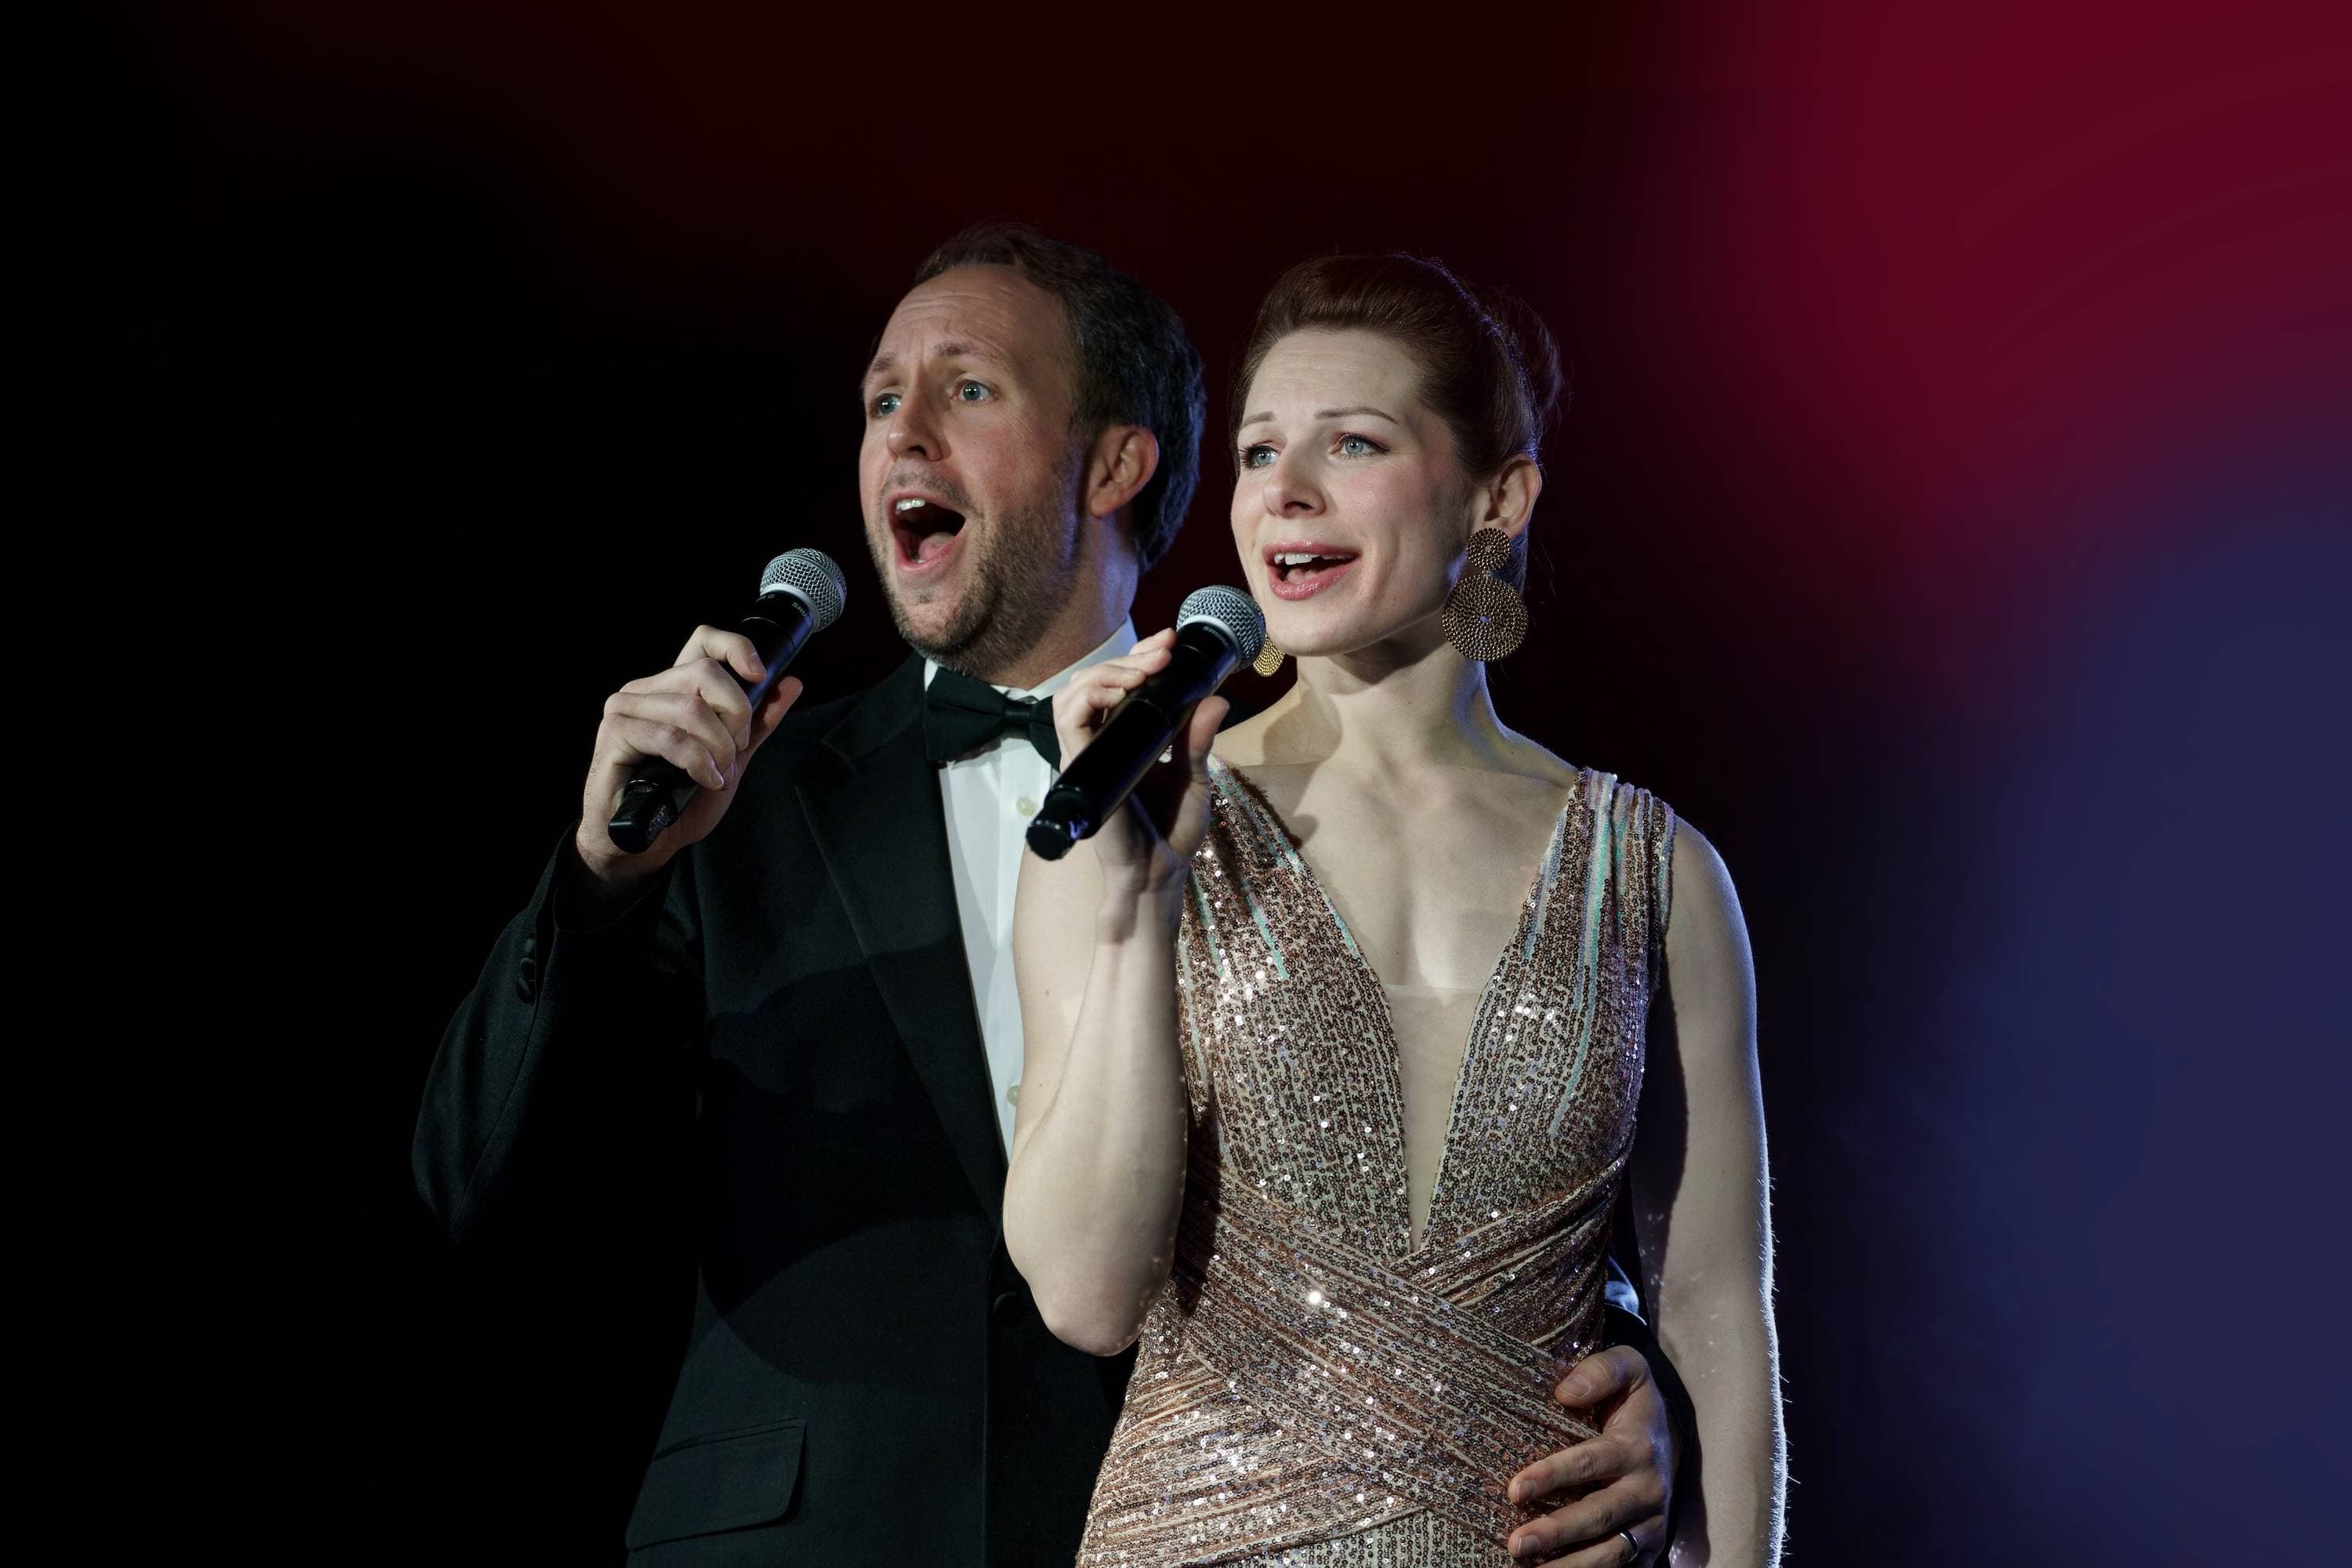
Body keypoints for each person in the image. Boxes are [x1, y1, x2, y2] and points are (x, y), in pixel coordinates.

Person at [414, 226, 1682, 1566]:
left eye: (966, 390)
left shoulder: (1270, 810)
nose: (901, 437)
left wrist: (1610, 1369)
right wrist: (600, 881)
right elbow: (479, 1187)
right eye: (879, 401)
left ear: (1119, 462)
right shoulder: (747, 797)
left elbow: (1473, 1148)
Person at [1005, 254, 1780, 1566]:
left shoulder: (1656, 872)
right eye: (1258, 452)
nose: (1284, 493)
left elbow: (1714, 1306)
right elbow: (1086, 1295)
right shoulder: (1135, 815)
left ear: (1497, 496)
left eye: (1352, 443)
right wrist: (1138, 908)